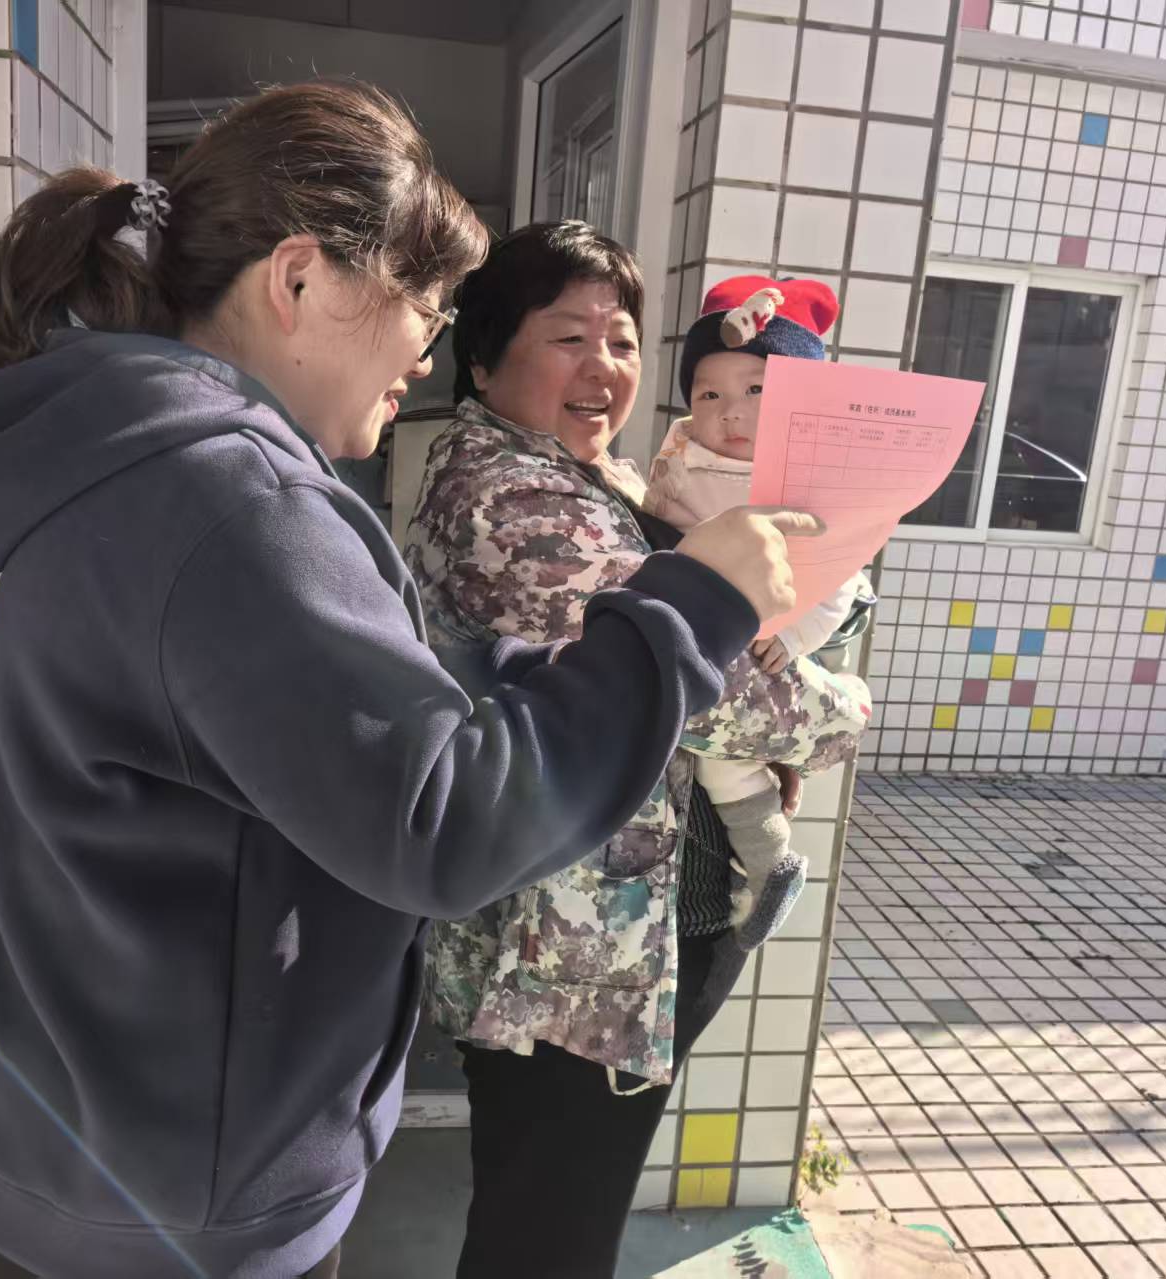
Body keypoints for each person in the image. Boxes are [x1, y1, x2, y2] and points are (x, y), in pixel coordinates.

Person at [0, 85, 817, 1279]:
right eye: (424, 308)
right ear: (299, 279)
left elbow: (332, 702)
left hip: (54, 1134)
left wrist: (545, 666)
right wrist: (694, 604)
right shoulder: (236, 501)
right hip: (162, 1210)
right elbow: (442, 822)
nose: (425, 351)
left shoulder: (136, 453)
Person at [403, 222, 869, 1279]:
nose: (603, 367)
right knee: (548, 1240)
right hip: (567, 966)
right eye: (568, 336)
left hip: (603, 941)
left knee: (549, 1218)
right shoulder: (516, 502)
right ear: (483, 356)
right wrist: (843, 706)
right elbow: (729, 694)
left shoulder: (592, 476)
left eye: (620, 341)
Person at [645, 275, 875, 949]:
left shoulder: (809, 481)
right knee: (723, 760)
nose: (730, 414)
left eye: (756, 392)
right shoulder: (681, 457)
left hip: (781, 632)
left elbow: (836, 573)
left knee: (729, 753)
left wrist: (795, 636)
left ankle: (770, 856)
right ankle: (773, 863)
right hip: (715, 633)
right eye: (709, 394)